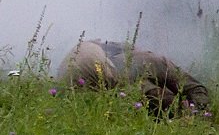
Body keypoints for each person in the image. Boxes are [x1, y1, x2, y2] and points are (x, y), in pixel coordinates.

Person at [57, 39, 209, 115]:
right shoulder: (154, 63)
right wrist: (196, 111)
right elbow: (196, 89)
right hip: (99, 75)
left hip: (79, 77)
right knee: (163, 99)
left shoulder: (141, 67)